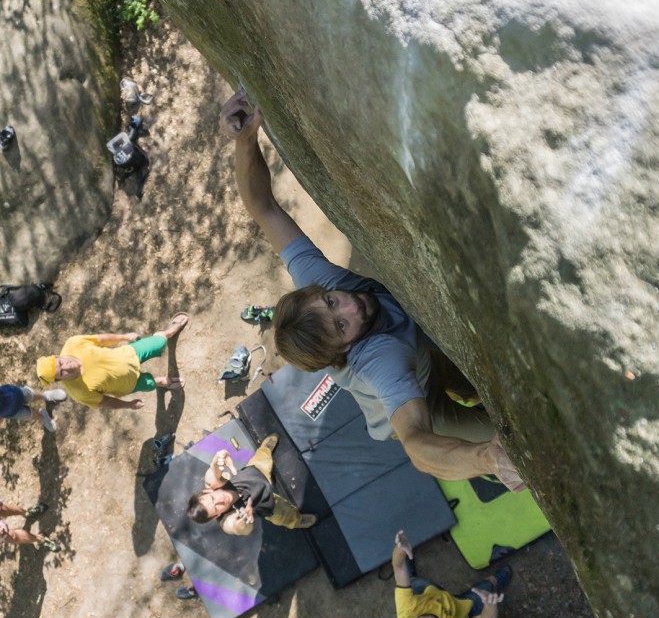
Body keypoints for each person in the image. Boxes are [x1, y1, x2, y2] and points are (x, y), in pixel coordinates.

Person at [220, 88, 525, 490]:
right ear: (343, 350)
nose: (350, 306)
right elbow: (418, 446)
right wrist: (487, 458)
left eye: (331, 301)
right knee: (520, 447)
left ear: (319, 291)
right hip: (419, 395)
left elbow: (263, 207)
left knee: (478, 379)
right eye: (341, 327)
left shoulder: (321, 281)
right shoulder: (376, 361)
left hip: (426, 346)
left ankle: (469, 384)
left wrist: (244, 141)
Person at [35, 313, 190, 412]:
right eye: (61, 373)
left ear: (57, 356)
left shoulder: (73, 344)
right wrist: (128, 405)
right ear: (59, 380)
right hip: (128, 384)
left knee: (159, 343)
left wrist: (125, 337)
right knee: (149, 384)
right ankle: (161, 382)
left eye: (61, 363)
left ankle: (167, 333)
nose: (66, 367)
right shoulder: (79, 393)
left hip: (130, 354)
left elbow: (101, 340)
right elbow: (105, 402)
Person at [392, 530, 509, 618]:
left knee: (409, 578)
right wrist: (490, 604)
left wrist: (401, 550)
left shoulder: (406, 612)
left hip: (426, 591)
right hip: (460, 609)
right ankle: (495, 582)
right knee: (487, 590)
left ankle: (409, 560)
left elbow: (398, 568)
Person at [186, 434, 317, 535]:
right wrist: (243, 521)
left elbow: (213, 471)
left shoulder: (212, 483)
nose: (220, 501)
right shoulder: (226, 520)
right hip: (268, 505)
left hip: (257, 471)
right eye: (216, 508)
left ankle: (266, 448)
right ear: (216, 515)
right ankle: (296, 520)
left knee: (263, 455)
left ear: (208, 492)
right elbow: (239, 528)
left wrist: (218, 458)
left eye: (213, 498)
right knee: (285, 516)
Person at [0, 383, 67, 433]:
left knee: (30, 395)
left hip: (14, 393)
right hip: (10, 412)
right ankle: (42, 416)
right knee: (28, 414)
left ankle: (45, 395)